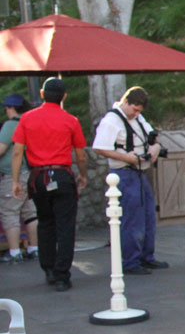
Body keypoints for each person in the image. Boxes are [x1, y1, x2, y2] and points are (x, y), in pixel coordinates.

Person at [10, 77, 88, 291]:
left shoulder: (26, 118)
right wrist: (83, 175)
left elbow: (18, 151)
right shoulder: (71, 120)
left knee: (45, 222)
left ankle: (49, 269)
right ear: (64, 97)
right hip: (62, 176)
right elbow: (80, 155)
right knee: (65, 226)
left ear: (42, 94)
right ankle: (63, 275)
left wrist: (16, 180)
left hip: (38, 178)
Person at [92, 86, 170, 276]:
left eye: (139, 111)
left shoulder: (137, 118)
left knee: (147, 216)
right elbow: (100, 148)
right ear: (125, 102)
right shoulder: (111, 121)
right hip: (124, 173)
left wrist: (155, 149)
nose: (136, 114)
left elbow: (153, 137)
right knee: (132, 219)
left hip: (139, 172)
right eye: (134, 109)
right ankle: (130, 261)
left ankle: (146, 256)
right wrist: (128, 158)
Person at [0, 94, 38, 262]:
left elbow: (1, 149)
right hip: (32, 172)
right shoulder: (31, 121)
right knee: (31, 212)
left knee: (10, 212)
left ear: (11, 108)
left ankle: (15, 252)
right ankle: (34, 248)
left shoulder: (11, 125)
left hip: (13, 175)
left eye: (6, 108)